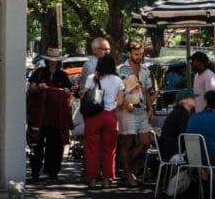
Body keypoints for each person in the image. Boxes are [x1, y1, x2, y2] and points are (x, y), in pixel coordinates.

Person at [26, 47, 73, 183]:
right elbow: (31, 89)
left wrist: (66, 91)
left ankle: (53, 172)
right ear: (47, 60)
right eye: (51, 60)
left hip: (56, 117)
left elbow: (68, 92)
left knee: (56, 145)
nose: (53, 62)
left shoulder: (63, 75)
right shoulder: (39, 73)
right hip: (39, 116)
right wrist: (39, 87)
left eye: (55, 60)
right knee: (37, 144)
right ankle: (35, 171)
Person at [82, 53, 124, 190]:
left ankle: (93, 180)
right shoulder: (118, 80)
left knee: (92, 149)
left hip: (94, 116)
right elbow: (121, 101)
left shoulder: (91, 78)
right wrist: (111, 105)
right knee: (109, 150)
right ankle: (107, 180)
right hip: (110, 116)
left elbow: (83, 94)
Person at [117, 40, 157, 186]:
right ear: (129, 53)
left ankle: (125, 168)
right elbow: (117, 92)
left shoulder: (145, 70)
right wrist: (125, 104)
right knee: (127, 142)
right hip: (126, 111)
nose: (139, 56)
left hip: (142, 111)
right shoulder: (121, 70)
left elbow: (146, 91)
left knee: (146, 142)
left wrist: (150, 108)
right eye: (136, 54)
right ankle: (128, 174)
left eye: (141, 54)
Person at [185, 89, 215, 196]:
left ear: (207, 103)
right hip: (208, 158)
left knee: (206, 159)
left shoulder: (193, 117)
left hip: (191, 157)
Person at [158, 88, 195, 161]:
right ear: (184, 100)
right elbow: (185, 135)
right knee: (202, 156)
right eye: (192, 97)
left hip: (167, 152)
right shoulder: (182, 113)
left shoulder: (177, 112)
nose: (195, 99)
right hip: (174, 154)